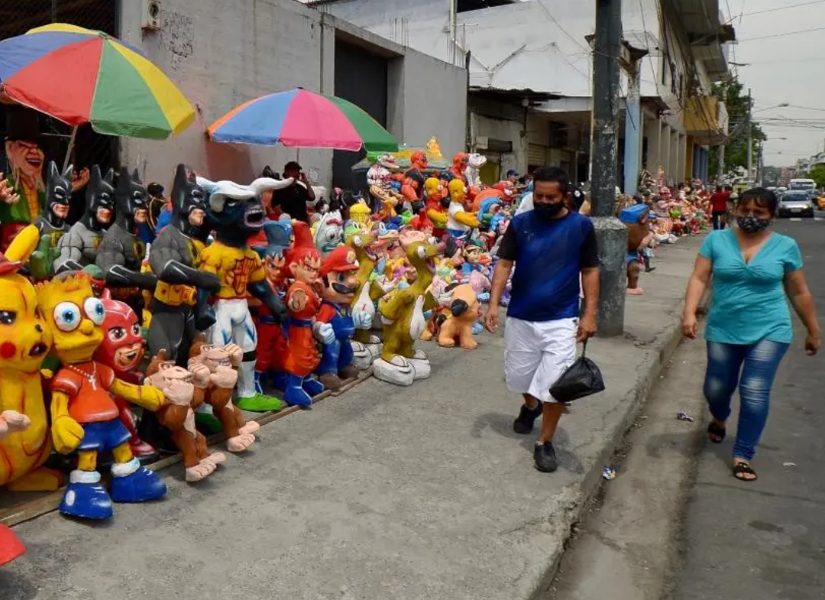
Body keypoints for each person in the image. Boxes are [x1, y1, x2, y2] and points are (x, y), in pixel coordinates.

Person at [682, 187, 820, 482]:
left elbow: (799, 291)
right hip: (723, 327)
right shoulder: (716, 240)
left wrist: (813, 330)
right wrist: (689, 312)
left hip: (770, 328)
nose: (750, 216)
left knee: (755, 390)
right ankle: (720, 418)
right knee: (716, 389)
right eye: (745, 210)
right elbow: (699, 277)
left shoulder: (785, 246)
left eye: (759, 212)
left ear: (771, 215)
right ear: (735, 210)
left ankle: (743, 454)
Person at [484, 166, 599, 473]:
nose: (544, 201)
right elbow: (504, 264)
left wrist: (589, 314)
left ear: (565, 196)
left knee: (554, 386)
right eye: (539, 196)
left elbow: (590, 270)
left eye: (551, 197)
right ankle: (531, 406)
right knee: (519, 378)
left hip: (562, 319)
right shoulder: (520, 224)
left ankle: (544, 442)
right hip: (521, 316)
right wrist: (493, 305)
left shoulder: (581, 227)